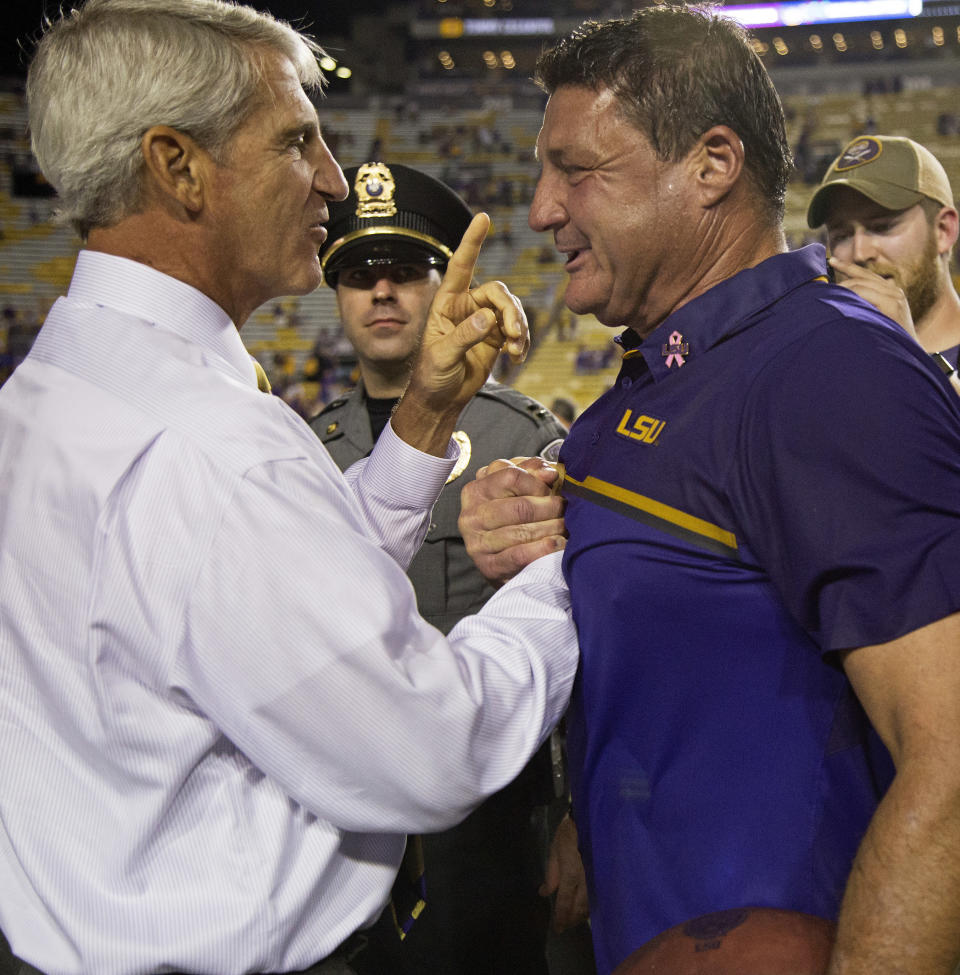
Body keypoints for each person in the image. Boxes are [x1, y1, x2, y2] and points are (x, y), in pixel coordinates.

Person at [0, 2, 581, 973]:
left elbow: (250, 603)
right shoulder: (208, 449)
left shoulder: (48, 397)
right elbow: (434, 746)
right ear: (176, 166)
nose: (333, 179)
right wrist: (574, 568)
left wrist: (424, 421)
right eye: (297, 140)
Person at [464, 6, 960, 974]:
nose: (541, 210)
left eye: (577, 170)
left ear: (712, 165)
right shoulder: (630, 404)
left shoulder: (828, 370)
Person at [309, 162, 592, 975]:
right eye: (361, 276)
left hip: (492, 818)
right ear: (337, 296)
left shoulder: (520, 434)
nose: (383, 293)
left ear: (446, 284)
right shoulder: (302, 450)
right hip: (348, 817)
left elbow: (583, 634)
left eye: (406, 271)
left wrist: (577, 818)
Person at [806, 134, 960, 372]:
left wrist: (916, 358)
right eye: (842, 235)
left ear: (943, 230)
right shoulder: (832, 363)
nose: (859, 253)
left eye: (882, 227)